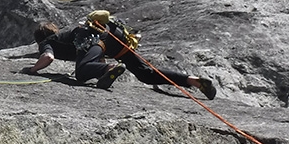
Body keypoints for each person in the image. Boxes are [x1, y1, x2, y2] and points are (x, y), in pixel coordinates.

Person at [21, 11, 217, 99]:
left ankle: (111, 69)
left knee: (81, 73)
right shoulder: (67, 34)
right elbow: (97, 54)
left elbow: (48, 58)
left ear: (40, 38)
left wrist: (32, 69)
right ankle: (194, 81)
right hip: (115, 37)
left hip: (96, 38)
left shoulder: (48, 41)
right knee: (145, 74)